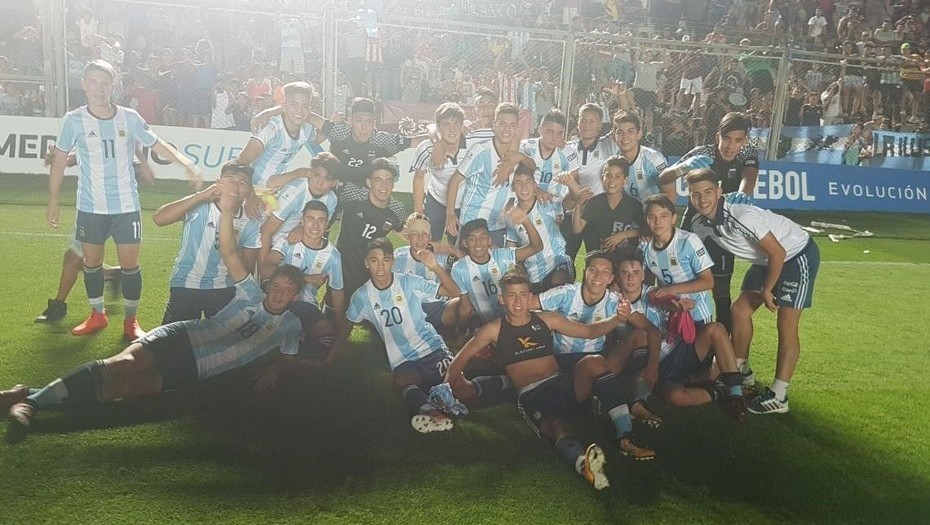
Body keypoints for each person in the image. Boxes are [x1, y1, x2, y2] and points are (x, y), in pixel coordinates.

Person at [5, 189, 304, 443]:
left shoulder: (291, 325)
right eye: (277, 286)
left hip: (196, 369)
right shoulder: (250, 293)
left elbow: (290, 358)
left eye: (288, 291)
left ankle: (26, 395)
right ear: (269, 286)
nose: (279, 294)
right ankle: (31, 405)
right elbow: (228, 251)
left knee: (122, 389)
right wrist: (227, 210)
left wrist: (277, 369)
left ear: (295, 296)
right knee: (121, 365)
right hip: (182, 337)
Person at [445, 271, 655, 491]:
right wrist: (447, 387)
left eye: (522, 294)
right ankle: (583, 465)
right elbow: (459, 361)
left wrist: (617, 319)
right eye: (511, 295)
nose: (518, 301)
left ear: (530, 297)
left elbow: (589, 331)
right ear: (501, 299)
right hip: (532, 396)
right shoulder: (493, 329)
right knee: (557, 426)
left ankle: (626, 437)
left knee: (594, 361)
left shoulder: (547, 319)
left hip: (560, 384)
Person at [46, 59, 202, 340]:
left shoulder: (129, 117)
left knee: (130, 266)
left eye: (105, 83)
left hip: (126, 206)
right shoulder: (73, 120)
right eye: (93, 82)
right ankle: (97, 315)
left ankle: (131, 321)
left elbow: (158, 144)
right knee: (91, 263)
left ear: (113, 86)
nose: (99, 88)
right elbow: (58, 161)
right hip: (90, 206)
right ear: (84, 85)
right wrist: (53, 200)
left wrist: (186, 163)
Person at [336, 238, 508, 433]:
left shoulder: (407, 282)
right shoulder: (361, 296)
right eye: (374, 260)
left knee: (462, 390)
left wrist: (435, 267)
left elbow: (454, 292)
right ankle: (432, 413)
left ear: (392, 261)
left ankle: (507, 380)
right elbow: (347, 326)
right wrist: (330, 356)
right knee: (402, 379)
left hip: (431, 348)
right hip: (403, 360)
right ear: (366, 263)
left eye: (385, 260)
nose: (381, 266)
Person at [686, 168, 820, 415]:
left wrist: (768, 289)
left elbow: (778, 252)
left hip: (795, 255)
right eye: (696, 194)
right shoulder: (699, 223)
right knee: (739, 311)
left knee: (786, 324)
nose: (702, 199)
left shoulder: (741, 216)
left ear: (719, 191)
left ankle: (779, 395)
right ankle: (741, 372)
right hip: (766, 260)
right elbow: (683, 246)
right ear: (690, 196)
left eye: (708, 192)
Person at [614, 250, 748, 421]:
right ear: (617, 277)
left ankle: (736, 395)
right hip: (656, 364)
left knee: (716, 329)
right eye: (624, 273)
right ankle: (719, 390)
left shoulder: (652, 293)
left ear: (643, 275)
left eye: (635, 273)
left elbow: (666, 300)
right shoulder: (613, 300)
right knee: (675, 396)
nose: (630, 278)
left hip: (678, 351)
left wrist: (678, 304)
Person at [658, 112, 759, 334]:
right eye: (726, 139)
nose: (730, 146)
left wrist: (743, 193)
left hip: (724, 231)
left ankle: (720, 347)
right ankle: (675, 337)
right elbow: (663, 177)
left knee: (721, 292)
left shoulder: (748, 152)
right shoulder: (703, 153)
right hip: (693, 227)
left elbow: (750, 176)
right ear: (717, 137)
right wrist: (683, 167)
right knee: (680, 283)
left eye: (738, 140)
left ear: (745, 141)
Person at [153, 162, 261, 323]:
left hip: (224, 288)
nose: (235, 186)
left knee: (223, 336)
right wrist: (201, 195)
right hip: (186, 283)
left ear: (249, 191)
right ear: (218, 182)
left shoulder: (251, 221)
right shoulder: (200, 205)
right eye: (229, 179)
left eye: (242, 183)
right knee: (176, 336)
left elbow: (247, 266)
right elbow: (159, 219)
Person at [259, 200, 345, 358]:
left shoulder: (333, 256)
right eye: (310, 219)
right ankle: (293, 337)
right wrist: (306, 278)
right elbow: (266, 269)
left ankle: (298, 336)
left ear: (327, 225)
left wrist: (340, 326)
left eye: (321, 220)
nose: (315, 225)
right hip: (276, 299)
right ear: (302, 221)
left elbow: (337, 293)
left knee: (328, 341)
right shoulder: (288, 240)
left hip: (305, 305)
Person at [445, 103, 525, 247]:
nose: (507, 129)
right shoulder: (480, 151)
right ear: (494, 125)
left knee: (496, 262)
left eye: (512, 125)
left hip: (497, 225)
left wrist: (521, 157)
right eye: (502, 123)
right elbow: (455, 181)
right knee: (466, 261)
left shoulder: (517, 153)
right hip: (472, 222)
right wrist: (450, 214)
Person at [452, 209, 542, 326]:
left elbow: (536, 247)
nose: (478, 243)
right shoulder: (460, 269)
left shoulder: (502, 256)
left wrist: (525, 220)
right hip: (487, 326)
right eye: (472, 239)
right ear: (465, 243)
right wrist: (461, 331)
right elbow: (465, 306)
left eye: (482, 237)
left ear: (489, 240)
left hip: (514, 320)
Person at [335, 158, 406, 301]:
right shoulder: (352, 194)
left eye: (389, 180)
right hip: (342, 266)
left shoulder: (397, 209)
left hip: (370, 271)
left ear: (393, 184)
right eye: (378, 179)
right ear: (369, 182)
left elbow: (401, 229)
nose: (384, 185)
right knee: (335, 310)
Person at [236, 81, 326, 191]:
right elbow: (241, 162)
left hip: (277, 189)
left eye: (305, 106)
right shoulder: (271, 129)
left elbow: (317, 139)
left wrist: (333, 123)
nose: (299, 110)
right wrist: (249, 194)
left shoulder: (307, 129)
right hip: (255, 189)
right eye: (293, 104)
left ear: (309, 109)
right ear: (284, 106)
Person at [258, 152, 340, 263]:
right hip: (270, 243)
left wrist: (301, 228)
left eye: (327, 179)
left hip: (296, 244)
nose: (319, 183)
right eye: (316, 175)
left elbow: (320, 228)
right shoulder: (295, 192)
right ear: (310, 173)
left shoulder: (331, 199)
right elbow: (265, 231)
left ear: (334, 182)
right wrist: (263, 266)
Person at [563, 103, 619, 260]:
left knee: (597, 259)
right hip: (572, 212)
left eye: (592, 121)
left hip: (598, 214)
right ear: (577, 123)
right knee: (566, 257)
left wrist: (621, 96)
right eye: (583, 120)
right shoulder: (567, 148)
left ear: (600, 126)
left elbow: (623, 121)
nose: (586, 124)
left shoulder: (608, 145)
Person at [505, 164, 572, 293]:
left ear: (535, 185)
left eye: (528, 181)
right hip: (534, 274)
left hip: (557, 264)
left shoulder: (546, 202)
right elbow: (510, 246)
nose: (524, 187)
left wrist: (571, 185)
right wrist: (514, 267)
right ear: (512, 187)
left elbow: (570, 202)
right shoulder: (511, 215)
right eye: (518, 182)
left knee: (558, 285)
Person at [393, 213, 462, 333]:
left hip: (437, 308)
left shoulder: (442, 257)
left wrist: (450, 253)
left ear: (430, 237)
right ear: (408, 236)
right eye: (415, 233)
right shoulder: (397, 257)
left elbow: (456, 289)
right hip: (408, 310)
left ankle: (459, 334)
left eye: (424, 234)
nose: (420, 238)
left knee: (463, 302)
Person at [410, 102, 470, 241]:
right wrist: (418, 212)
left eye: (456, 124)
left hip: (463, 204)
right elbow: (419, 177)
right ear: (438, 127)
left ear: (462, 126)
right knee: (428, 242)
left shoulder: (472, 144)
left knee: (459, 246)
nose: (452, 130)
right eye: (446, 125)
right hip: (436, 201)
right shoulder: (426, 148)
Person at [573, 156, 644, 257]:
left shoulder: (633, 205)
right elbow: (577, 229)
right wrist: (578, 204)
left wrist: (622, 235)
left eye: (617, 176)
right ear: (602, 178)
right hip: (600, 257)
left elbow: (646, 230)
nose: (612, 180)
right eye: (608, 175)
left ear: (625, 180)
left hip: (624, 257)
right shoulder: (595, 202)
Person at [612, 111, 676, 203]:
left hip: (651, 211)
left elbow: (671, 196)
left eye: (630, 131)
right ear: (614, 137)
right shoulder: (613, 161)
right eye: (620, 132)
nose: (625, 136)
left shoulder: (654, 159)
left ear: (639, 134)